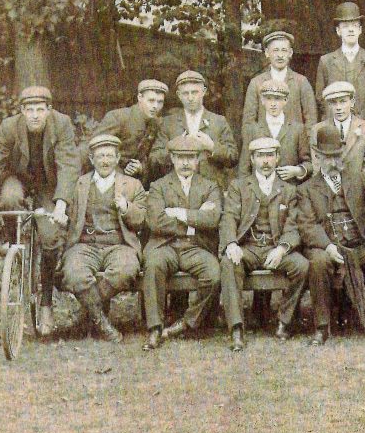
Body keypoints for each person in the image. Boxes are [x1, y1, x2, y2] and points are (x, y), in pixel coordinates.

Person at [0, 85, 79, 337]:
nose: (34, 115)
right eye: (29, 109)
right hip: (17, 178)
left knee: (51, 236)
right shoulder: (9, 127)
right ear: (21, 111)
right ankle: (14, 245)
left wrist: (61, 203)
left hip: (48, 184)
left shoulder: (62, 125)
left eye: (40, 109)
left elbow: (68, 164)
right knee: (9, 200)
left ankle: (46, 302)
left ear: (49, 110)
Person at [298, 126, 365, 348]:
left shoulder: (357, 179)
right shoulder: (307, 189)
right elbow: (307, 225)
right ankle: (321, 327)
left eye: (337, 156)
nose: (333, 162)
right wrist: (328, 246)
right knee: (317, 262)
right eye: (327, 157)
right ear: (317, 157)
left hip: (359, 247)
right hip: (329, 248)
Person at [219, 137, 310, 351]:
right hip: (247, 247)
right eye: (260, 156)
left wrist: (282, 248)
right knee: (228, 263)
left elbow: (294, 224)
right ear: (252, 159)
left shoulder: (288, 190)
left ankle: (283, 321)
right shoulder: (238, 186)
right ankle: (237, 328)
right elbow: (229, 217)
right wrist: (231, 243)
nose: (266, 161)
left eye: (270, 155)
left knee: (302, 265)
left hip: (274, 247)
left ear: (277, 158)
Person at [59, 134, 145, 342]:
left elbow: (142, 219)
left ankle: (87, 314)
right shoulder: (79, 184)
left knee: (126, 270)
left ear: (117, 159)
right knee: (73, 272)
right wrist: (61, 216)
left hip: (118, 245)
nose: (105, 161)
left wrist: (126, 208)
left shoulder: (132, 185)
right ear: (91, 159)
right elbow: (66, 212)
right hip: (85, 245)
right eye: (100, 156)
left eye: (109, 156)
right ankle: (103, 323)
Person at [141, 135, 222, 351]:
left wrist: (178, 212)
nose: (185, 163)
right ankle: (155, 328)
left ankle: (185, 322)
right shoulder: (158, 186)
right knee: (153, 266)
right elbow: (156, 222)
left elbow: (213, 219)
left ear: (198, 160)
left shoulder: (210, 186)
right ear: (172, 159)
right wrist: (194, 219)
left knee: (214, 275)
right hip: (165, 245)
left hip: (195, 247)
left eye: (191, 158)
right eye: (180, 158)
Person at [150, 70, 238, 190]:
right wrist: (175, 145)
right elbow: (154, 159)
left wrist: (212, 147)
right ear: (179, 95)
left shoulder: (219, 121)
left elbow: (233, 158)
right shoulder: (168, 123)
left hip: (211, 190)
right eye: (186, 93)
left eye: (195, 92)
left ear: (204, 92)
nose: (190, 98)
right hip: (177, 190)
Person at [313, 2, 365, 127]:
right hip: (335, 126)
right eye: (346, 26)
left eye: (354, 25)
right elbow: (321, 98)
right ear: (338, 31)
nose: (351, 29)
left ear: (360, 30)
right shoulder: (326, 61)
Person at [91, 79, 169, 188]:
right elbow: (95, 148)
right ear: (140, 98)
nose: (155, 106)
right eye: (151, 101)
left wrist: (140, 167)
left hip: (136, 182)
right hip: (108, 177)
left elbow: (152, 157)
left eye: (160, 102)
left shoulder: (156, 124)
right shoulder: (118, 117)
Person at [243, 30, 319, 134]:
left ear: (290, 53)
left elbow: (311, 118)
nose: (280, 55)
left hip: (294, 147)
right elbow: (248, 122)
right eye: (275, 50)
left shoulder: (301, 82)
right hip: (265, 145)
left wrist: (306, 145)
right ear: (267, 53)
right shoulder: (256, 83)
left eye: (284, 50)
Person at [238, 78, 311, 183]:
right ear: (262, 101)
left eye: (277, 99)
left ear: (285, 100)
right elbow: (244, 169)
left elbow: (308, 164)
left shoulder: (297, 129)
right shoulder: (252, 130)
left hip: (290, 192)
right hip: (260, 194)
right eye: (268, 98)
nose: (273, 104)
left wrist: (297, 171)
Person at [308, 81, 365, 176]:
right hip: (328, 187)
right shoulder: (318, 130)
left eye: (343, 102)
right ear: (329, 105)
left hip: (358, 187)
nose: (338, 108)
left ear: (352, 102)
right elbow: (317, 167)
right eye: (333, 103)